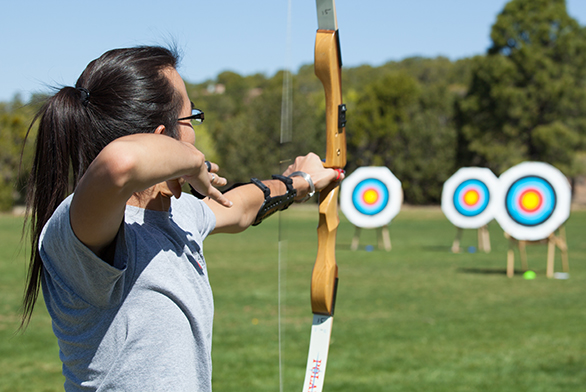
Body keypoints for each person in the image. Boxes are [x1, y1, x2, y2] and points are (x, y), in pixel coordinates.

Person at [21, 46, 343, 391]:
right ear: (162, 136)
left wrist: (301, 181)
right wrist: (190, 161)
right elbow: (120, 163)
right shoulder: (77, 229)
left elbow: (240, 207)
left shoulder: (180, 215)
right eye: (192, 118)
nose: (195, 134)